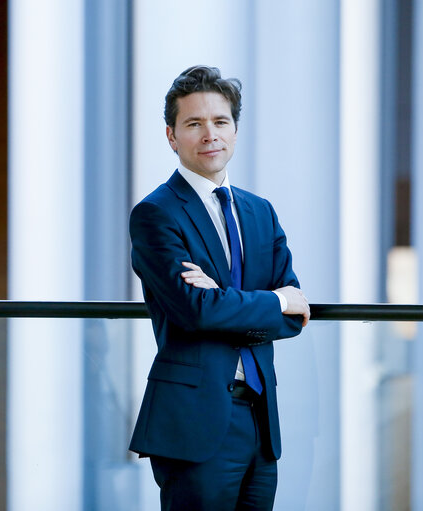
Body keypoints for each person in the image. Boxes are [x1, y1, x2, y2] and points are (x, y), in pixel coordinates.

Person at [128, 65, 311, 511]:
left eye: (220, 121)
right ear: (172, 136)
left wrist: (230, 301)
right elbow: (197, 311)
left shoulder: (259, 212)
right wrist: (269, 302)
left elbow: (295, 313)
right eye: (194, 124)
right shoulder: (156, 214)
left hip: (260, 419)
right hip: (195, 423)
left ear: (234, 129)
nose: (209, 134)